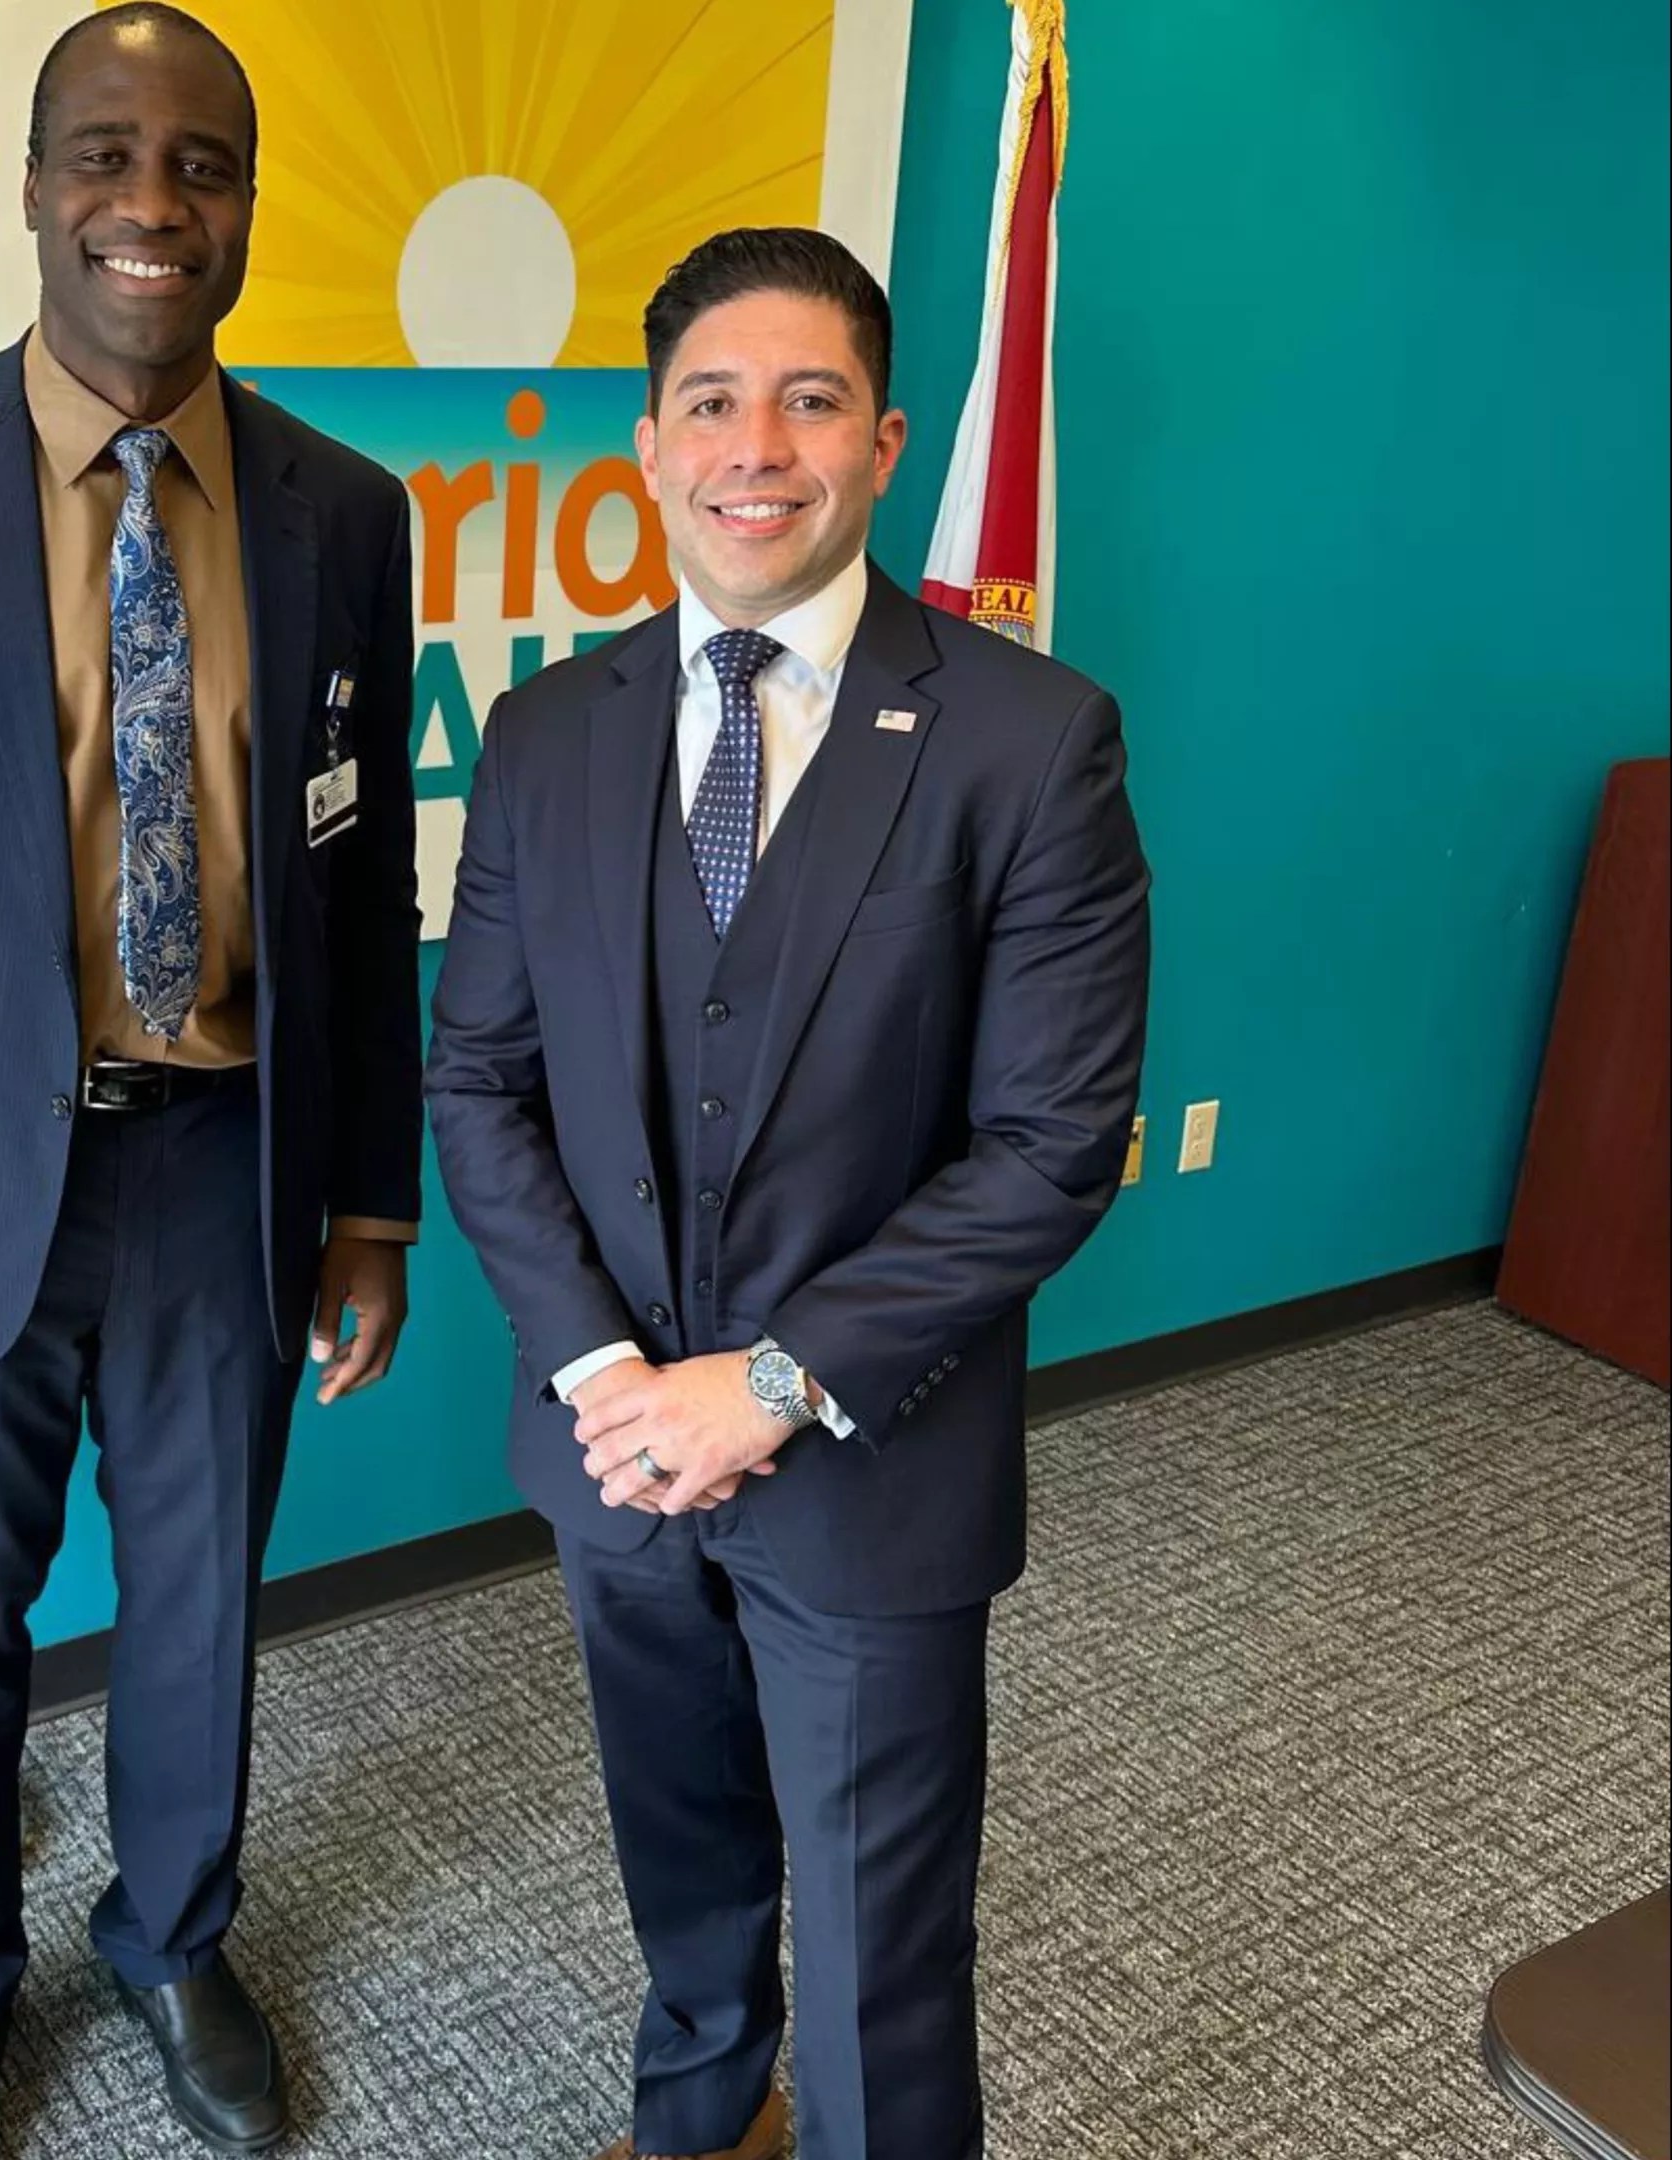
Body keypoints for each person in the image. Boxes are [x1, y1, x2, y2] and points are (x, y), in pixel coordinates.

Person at [0, 8, 422, 2155]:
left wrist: (372, 1204)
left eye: (199, 164)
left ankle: (172, 1936)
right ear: (33, 188)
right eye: (105, 156)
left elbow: (361, 872)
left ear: (240, 206)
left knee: (202, 1607)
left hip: (227, 1165)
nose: (152, 204)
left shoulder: (343, 508)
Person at [425, 226, 1151, 2160]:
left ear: (885, 440)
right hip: (608, 1459)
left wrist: (757, 1387)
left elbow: (1049, 1145)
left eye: (810, 399)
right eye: (713, 403)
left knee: (877, 1949)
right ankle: (693, 2122)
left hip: (865, 1467)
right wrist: (602, 1375)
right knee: (680, 1868)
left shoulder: (1027, 739)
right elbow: (479, 1082)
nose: (759, 445)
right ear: (649, 448)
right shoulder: (546, 733)